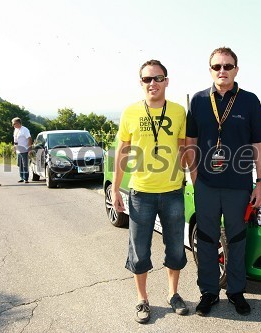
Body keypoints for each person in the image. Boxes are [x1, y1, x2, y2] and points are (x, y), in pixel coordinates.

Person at [185, 47, 261, 316]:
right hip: (206, 185)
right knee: (208, 239)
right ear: (210, 70)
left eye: (228, 66)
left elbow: (259, 144)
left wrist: (260, 182)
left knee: (237, 239)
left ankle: (236, 292)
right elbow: (191, 142)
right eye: (217, 66)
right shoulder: (198, 100)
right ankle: (208, 292)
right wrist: (195, 176)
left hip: (239, 186)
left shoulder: (249, 101)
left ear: (236, 69)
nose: (222, 71)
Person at [111, 59, 188, 324]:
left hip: (173, 191)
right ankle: (142, 300)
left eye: (157, 78)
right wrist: (116, 189)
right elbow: (122, 151)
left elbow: (185, 149)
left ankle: (173, 294)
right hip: (140, 193)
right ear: (141, 83)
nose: (152, 83)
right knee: (139, 249)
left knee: (176, 247)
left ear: (167, 80)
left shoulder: (178, 111)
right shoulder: (130, 112)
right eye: (147, 79)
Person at [12, 117, 32, 183]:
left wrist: (29, 148)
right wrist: (14, 147)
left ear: (18, 123)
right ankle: (22, 177)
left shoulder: (25, 130)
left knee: (25, 164)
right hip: (18, 150)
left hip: (24, 150)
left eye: (14, 124)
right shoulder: (16, 130)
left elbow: (29, 138)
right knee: (19, 164)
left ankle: (26, 178)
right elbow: (15, 140)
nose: (13, 125)